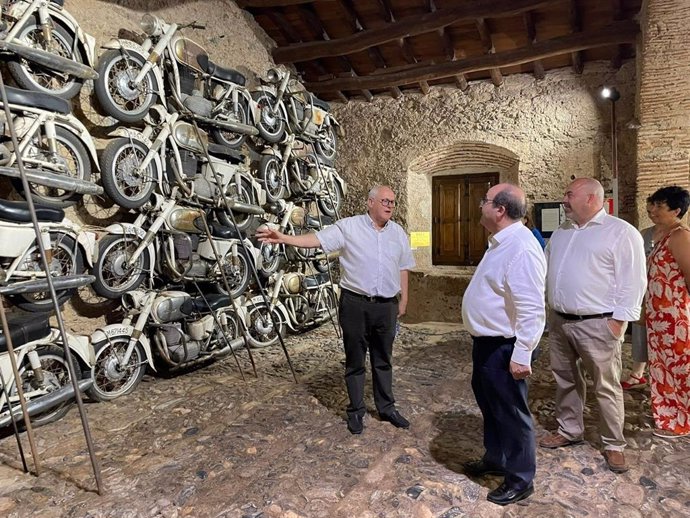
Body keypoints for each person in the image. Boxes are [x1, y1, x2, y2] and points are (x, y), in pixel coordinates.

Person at [256, 185, 415, 435]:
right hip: (355, 305)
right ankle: (356, 411)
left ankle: (387, 408)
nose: (389, 205)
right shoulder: (349, 227)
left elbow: (404, 267)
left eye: (393, 202)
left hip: (386, 306)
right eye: (384, 201)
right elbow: (317, 240)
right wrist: (284, 238)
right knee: (355, 360)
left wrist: (403, 300)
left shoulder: (398, 233)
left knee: (383, 360)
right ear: (370, 202)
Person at [540, 178, 646, 474]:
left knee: (606, 385)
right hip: (561, 321)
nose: (564, 200)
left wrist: (618, 322)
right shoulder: (562, 232)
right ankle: (569, 429)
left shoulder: (621, 232)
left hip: (599, 324)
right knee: (565, 379)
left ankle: (614, 444)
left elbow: (633, 281)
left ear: (590, 198)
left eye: (569, 194)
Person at [461, 183, 546, 506]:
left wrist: (523, 352)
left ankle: (521, 479)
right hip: (488, 344)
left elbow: (531, 306)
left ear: (499, 209)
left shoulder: (521, 247)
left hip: (506, 346)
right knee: (491, 405)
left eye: (485, 201)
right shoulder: (501, 242)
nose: (480, 205)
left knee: (511, 412)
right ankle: (496, 458)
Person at [644, 185, 690, 439]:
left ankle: (682, 419)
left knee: (679, 367)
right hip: (659, 316)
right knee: (662, 367)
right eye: (652, 204)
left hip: (674, 315)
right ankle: (667, 414)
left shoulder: (680, 236)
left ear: (676, 210)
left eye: (659, 206)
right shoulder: (661, 237)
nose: (652, 209)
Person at [622, 205, 656, 390]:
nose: (652, 213)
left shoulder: (682, 236)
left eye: (658, 207)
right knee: (641, 332)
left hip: (667, 295)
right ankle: (638, 372)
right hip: (645, 291)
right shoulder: (644, 234)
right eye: (650, 210)